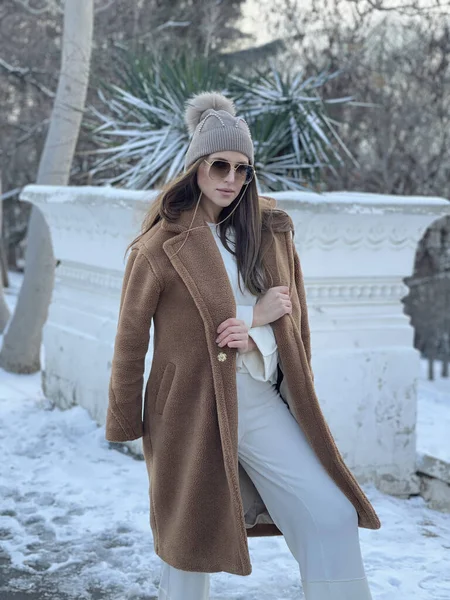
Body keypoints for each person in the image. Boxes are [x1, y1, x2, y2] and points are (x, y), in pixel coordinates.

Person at [104, 91, 381, 600]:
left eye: (242, 169)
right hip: (188, 407)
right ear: (196, 167)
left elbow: (293, 327)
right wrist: (125, 420)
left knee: (331, 514)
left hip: (256, 399)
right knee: (186, 551)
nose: (231, 178)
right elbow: (129, 341)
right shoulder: (158, 246)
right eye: (219, 166)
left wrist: (257, 328)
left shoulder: (270, 233)